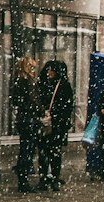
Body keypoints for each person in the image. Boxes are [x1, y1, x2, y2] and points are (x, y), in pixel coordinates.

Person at [38, 60, 74, 191]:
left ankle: (53, 177)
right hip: (46, 123)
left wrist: (57, 119)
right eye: (48, 70)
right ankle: (45, 178)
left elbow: (67, 107)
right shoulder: (43, 84)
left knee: (54, 153)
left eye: (52, 70)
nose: (49, 73)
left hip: (57, 125)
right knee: (45, 153)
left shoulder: (63, 86)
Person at [11, 55, 42, 193]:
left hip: (23, 118)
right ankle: (23, 179)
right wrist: (41, 110)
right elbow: (32, 100)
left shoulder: (18, 81)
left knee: (25, 148)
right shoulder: (27, 81)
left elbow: (17, 101)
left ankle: (22, 177)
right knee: (27, 150)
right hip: (29, 119)